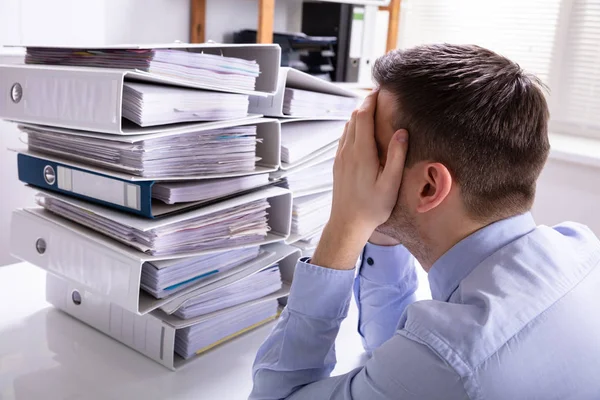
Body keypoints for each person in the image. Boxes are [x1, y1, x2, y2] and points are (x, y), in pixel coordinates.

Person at [249, 44, 600, 400]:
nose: (356, 160)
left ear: (429, 186)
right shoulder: (580, 247)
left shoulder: (448, 363)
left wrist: (344, 224)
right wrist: (381, 230)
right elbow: (393, 348)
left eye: (371, 147)